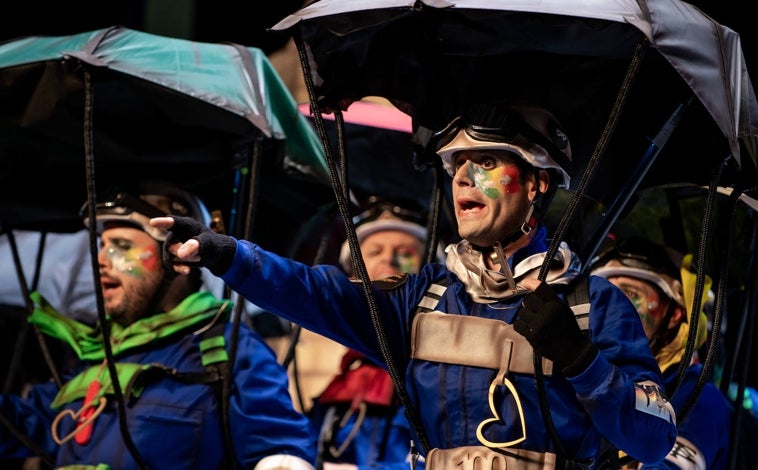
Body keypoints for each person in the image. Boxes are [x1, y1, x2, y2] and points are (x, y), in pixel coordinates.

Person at [152, 102, 678, 468]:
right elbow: (313, 291)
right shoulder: (421, 296)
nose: (464, 178)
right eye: (458, 166)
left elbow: (655, 441)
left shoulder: (596, 304)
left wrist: (581, 360)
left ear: (538, 182)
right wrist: (225, 252)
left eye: (486, 163)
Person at [0, 181, 317, 470]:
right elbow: (28, 425)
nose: (100, 259)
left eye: (121, 246)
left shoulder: (227, 348)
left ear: (177, 258)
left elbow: (279, 450)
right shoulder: (95, 353)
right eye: (102, 245)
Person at [590, 236, 732, 469]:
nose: (611, 308)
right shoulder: (598, 378)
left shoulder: (700, 400)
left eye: (629, 294)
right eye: (603, 296)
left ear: (674, 314)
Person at [309, 199, 428, 470]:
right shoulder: (344, 381)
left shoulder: (441, 373)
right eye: (374, 252)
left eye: (404, 251)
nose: (388, 259)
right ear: (351, 272)